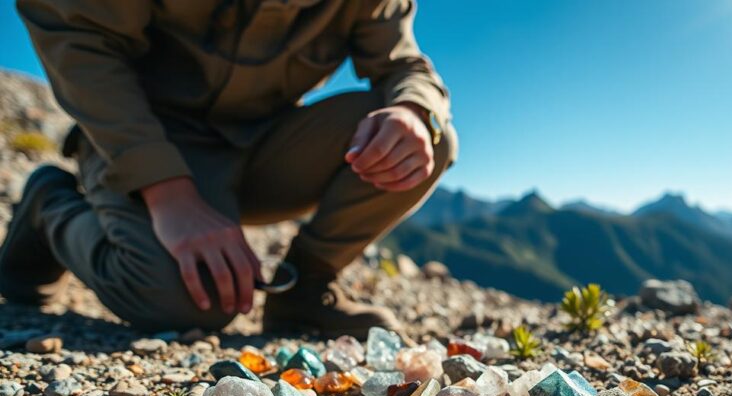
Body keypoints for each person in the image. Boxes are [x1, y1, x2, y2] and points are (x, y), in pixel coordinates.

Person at [1, 0, 456, 339]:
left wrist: (414, 110)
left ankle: (302, 292)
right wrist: (167, 192)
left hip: (261, 147)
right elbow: (73, 34)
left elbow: (405, 65)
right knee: (185, 302)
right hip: (138, 135)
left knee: (426, 138)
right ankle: (50, 207)